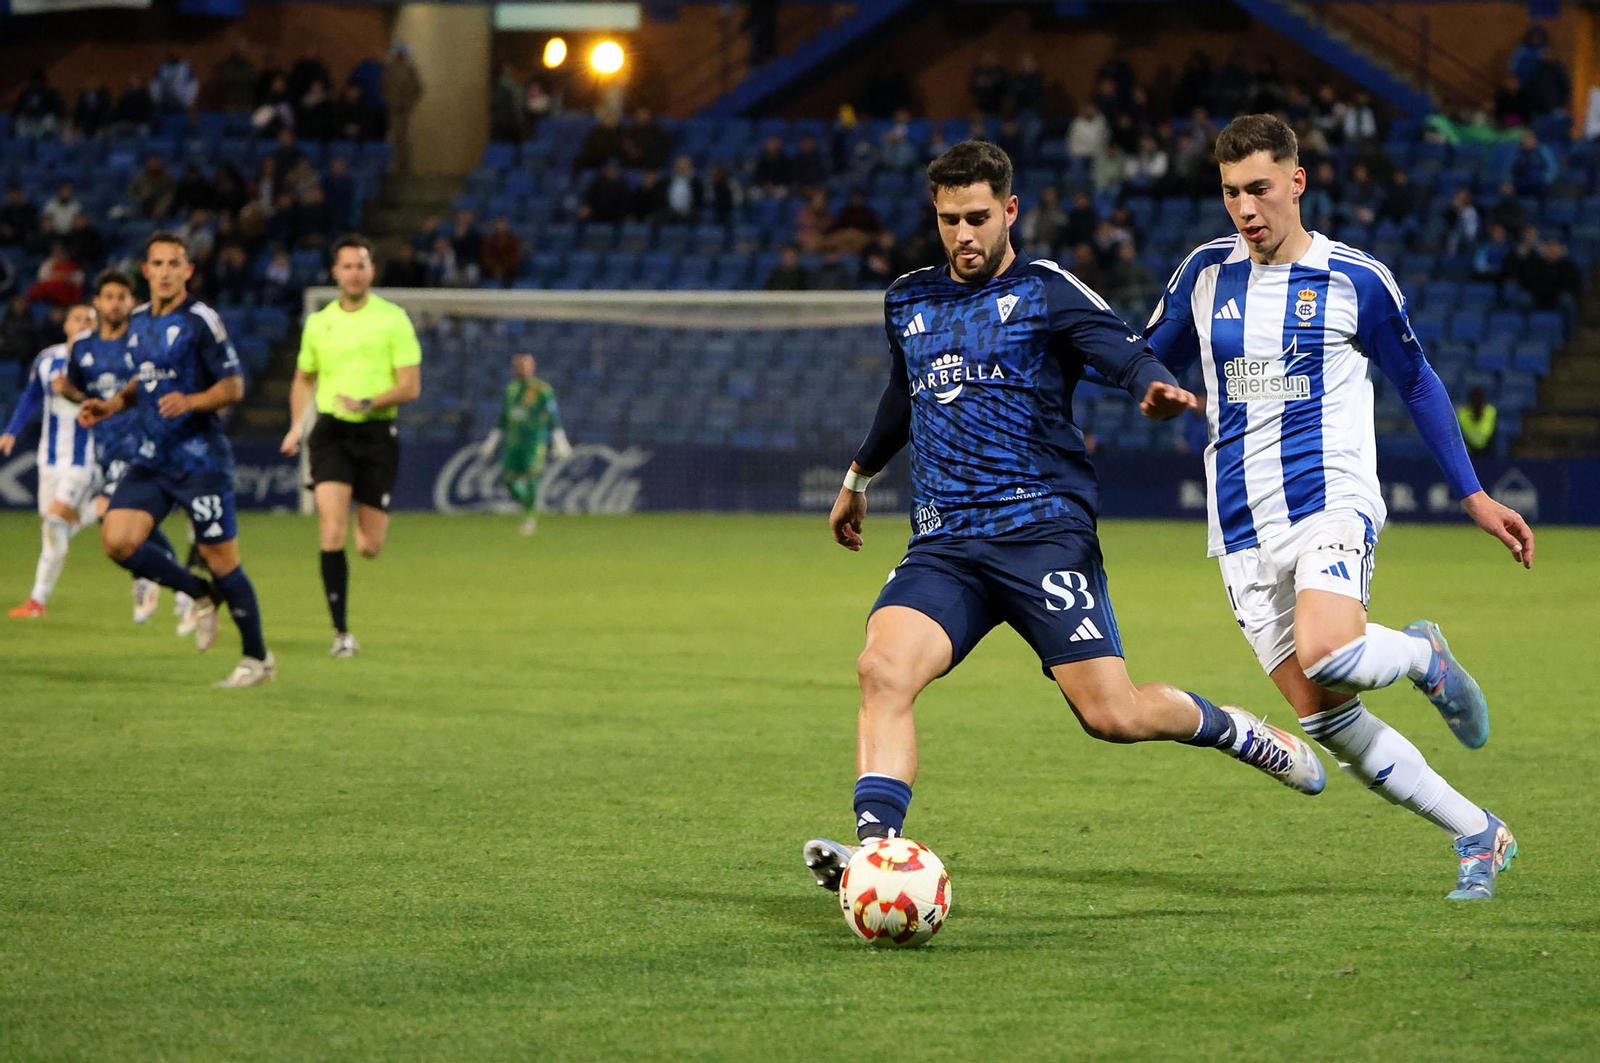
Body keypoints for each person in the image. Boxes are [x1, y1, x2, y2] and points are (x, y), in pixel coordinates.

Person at [801, 140, 1326, 895]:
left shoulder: (1046, 290)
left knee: (1112, 714)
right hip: (946, 541)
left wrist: (1151, 384)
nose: (964, 235)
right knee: (881, 668)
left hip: (1042, 532)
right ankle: (878, 855)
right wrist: (858, 476)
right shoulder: (908, 299)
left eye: (979, 217)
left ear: (1010, 210)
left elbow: (1120, 350)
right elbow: (902, 394)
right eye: (949, 220)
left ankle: (1240, 730)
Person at [1143, 115, 1531, 900]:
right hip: (1241, 528)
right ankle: (1478, 832)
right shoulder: (1203, 275)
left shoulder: (1356, 279)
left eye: (1258, 189)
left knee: (1329, 648)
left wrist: (1473, 492)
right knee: (1328, 720)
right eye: (1229, 193)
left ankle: (1425, 656)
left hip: (1330, 498)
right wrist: (1150, 388)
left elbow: (1418, 381)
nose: (1245, 209)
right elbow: (1150, 354)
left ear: (1297, 182)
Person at [77, 232, 273, 687]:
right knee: (118, 540)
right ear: (146, 271)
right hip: (151, 456)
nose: (166, 272)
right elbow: (140, 382)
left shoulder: (201, 321)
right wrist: (110, 405)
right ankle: (197, 592)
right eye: (158, 264)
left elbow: (233, 387)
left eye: (175, 264)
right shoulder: (138, 320)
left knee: (221, 558)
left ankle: (257, 659)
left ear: (188, 271)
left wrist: (191, 400)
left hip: (199, 459)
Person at [282, 235, 422, 656]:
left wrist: (368, 402)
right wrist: (295, 427)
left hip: (378, 433)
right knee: (331, 529)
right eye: (347, 266)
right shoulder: (320, 322)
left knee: (369, 546)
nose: (354, 273)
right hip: (331, 433)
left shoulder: (393, 319)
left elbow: (411, 386)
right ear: (335, 273)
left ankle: (367, 521)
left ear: (371, 271)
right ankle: (341, 633)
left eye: (361, 265)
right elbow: (305, 378)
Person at [56, 271, 189, 625]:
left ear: (131, 302)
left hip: (141, 439)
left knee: (110, 513)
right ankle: (179, 585)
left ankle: (155, 580)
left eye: (122, 296)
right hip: (106, 444)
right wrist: (71, 394)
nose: (115, 303)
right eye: (108, 296)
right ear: (96, 302)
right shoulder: (83, 347)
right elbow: (86, 393)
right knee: (119, 520)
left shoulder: (141, 340)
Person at [1, 303, 97, 617]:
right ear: (66, 324)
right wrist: (12, 430)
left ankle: (98, 507)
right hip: (49, 458)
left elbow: (111, 402)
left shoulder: (101, 358)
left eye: (89, 320)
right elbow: (31, 396)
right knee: (52, 531)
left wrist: (74, 392)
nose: (83, 323)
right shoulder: (47, 358)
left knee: (56, 522)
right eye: (78, 318)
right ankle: (37, 602)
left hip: (83, 457)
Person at [478, 353, 572, 536]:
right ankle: (527, 504)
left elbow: (553, 416)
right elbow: (503, 418)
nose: (522, 368)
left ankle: (530, 517)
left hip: (534, 443)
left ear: (533, 367)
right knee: (508, 480)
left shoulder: (542, 390)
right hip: (514, 444)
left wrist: (560, 441)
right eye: (519, 365)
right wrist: (492, 441)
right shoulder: (511, 390)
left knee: (531, 478)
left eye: (526, 365)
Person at [1456, 386, 1497, 456]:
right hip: (1468, 453)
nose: (1477, 402)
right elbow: (1464, 436)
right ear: (1470, 401)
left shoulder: (1490, 411)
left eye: (1479, 399)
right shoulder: (1462, 413)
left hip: (1487, 452)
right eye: (1474, 399)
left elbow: (1487, 436)